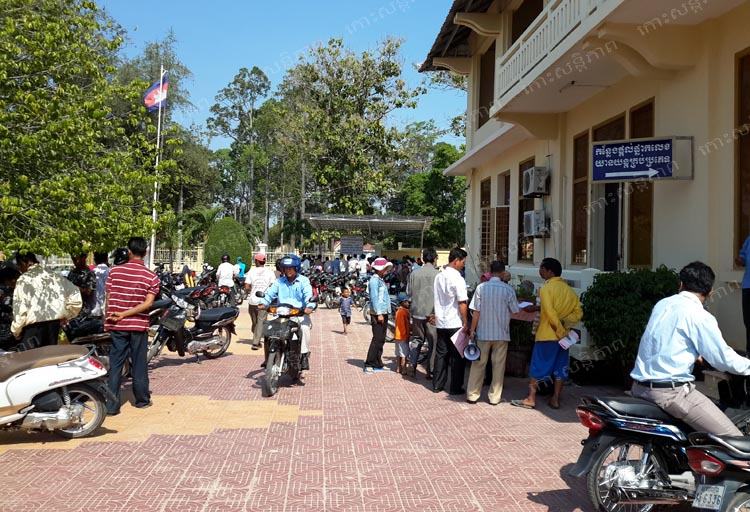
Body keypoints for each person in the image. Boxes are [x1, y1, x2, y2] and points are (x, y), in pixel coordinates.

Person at [631, 261, 750, 436]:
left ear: (680, 284)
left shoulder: (662, 304)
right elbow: (723, 360)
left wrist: (694, 355)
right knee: (735, 441)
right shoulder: (700, 315)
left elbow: (664, 340)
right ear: (710, 291)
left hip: (639, 388)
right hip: (671, 393)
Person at [512, 258, 582, 410]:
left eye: (542, 269)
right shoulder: (569, 290)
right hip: (564, 339)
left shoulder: (546, 289)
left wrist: (559, 329)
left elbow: (550, 313)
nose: (540, 271)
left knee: (537, 367)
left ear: (550, 271)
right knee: (560, 368)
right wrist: (564, 324)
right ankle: (555, 398)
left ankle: (531, 398)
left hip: (547, 335)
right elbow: (578, 313)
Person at [104, 237, 160, 415]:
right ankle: (142, 400)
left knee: (115, 365)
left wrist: (112, 318)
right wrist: (127, 314)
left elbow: (109, 298)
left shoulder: (114, 272)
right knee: (139, 364)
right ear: (145, 252)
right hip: (138, 326)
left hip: (117, 325)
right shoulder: (151, 276)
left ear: (129, 252)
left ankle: (111, 406)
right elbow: (148, 304)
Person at [466, 261, 519, 405]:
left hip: (483, 332)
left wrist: (472, 330)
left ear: (490, 271)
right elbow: (515, 310)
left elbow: (476, 312)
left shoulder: (481, 288)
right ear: (503, 272)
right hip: (501, 334)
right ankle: (494, 397)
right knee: (498, 366)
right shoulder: (508, 290)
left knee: (478, 364)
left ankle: (472, 395)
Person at [11, 252, 82, 349]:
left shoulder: (23, 279)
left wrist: (16, 331)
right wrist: (67, 314)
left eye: (19, 266)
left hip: (33, 330)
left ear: (23, 263)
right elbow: (75, 295)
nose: (20, 269)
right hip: (54, 327)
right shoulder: (54, 276)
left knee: (30, 358)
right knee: (51, 357)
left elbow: (20, 310)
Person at [259, 255, 315, 378]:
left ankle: (304, 356)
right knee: (268, 328)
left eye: (291, 268)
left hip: (298, 314)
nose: (288, 270)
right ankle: (268, 358)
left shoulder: (304, 281)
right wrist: (263, 303)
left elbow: (308, 295)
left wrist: (309, 306)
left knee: (304, 328)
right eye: (286, 268)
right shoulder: (279, 281)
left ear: (296, 268)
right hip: (281, 314)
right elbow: (269, 294)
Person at [432, 247, 469, 394]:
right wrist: (465, 321)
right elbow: (462, 302)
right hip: (454, 322)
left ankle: (437, 384)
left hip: (441, 321)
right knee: (457, 356)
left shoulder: (439, 276)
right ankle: (455, 387)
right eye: (463, 262)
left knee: (441, 353)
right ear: (456, 261)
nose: (463, 265)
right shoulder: (458, 278)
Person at [407, 248, 439, 379]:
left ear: (423, 259)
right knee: (433, 343)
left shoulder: (414, 273)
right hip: (432, 314)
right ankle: (430, 371)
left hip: (417, 312)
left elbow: (409, 292)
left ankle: (412, 366)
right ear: (435, 258)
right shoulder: (438, 275)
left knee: (416, 340)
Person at [364, 257, 393, 372]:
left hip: (383, 312)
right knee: (377, 339)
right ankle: (369, 363)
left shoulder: (380, 280)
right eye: (385, 268)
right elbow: (374, 298)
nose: (386, 270)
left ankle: (377, 362)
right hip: (378, 313)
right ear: (380, 269)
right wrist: (379, 313)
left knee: (381, 339)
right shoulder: (374, 280)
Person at [246, 253, 276, 350]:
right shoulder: (270, 272)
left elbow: (247, 286)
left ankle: (255, 343)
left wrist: (251, 290)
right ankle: (257, 336)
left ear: (256, 261)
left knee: (258, 322)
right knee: (258, 323)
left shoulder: (251, 272)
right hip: (264, 300)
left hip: (253, 301)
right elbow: (273, 286)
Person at [736, 237, 750, 352]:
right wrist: (739, 260)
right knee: (748, 321)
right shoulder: (749, 240)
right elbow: (742, 259)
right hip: (748, 286)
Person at [394, 292, 411, 375]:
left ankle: (398, 368)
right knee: (404, 353)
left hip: (397, 336)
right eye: (407, 302)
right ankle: (404, 369)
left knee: (398, 353)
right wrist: (406, 335)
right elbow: (403, 326)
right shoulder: (403, 312)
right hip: (403, 336)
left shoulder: (398, 311)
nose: (408, 303)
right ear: (402, 302)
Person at [92, 252, 110, 317]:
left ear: (95, 259)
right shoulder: (110, 272)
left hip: (93, 310)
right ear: (107, 259)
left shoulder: (92, 272)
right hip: (106, 310)